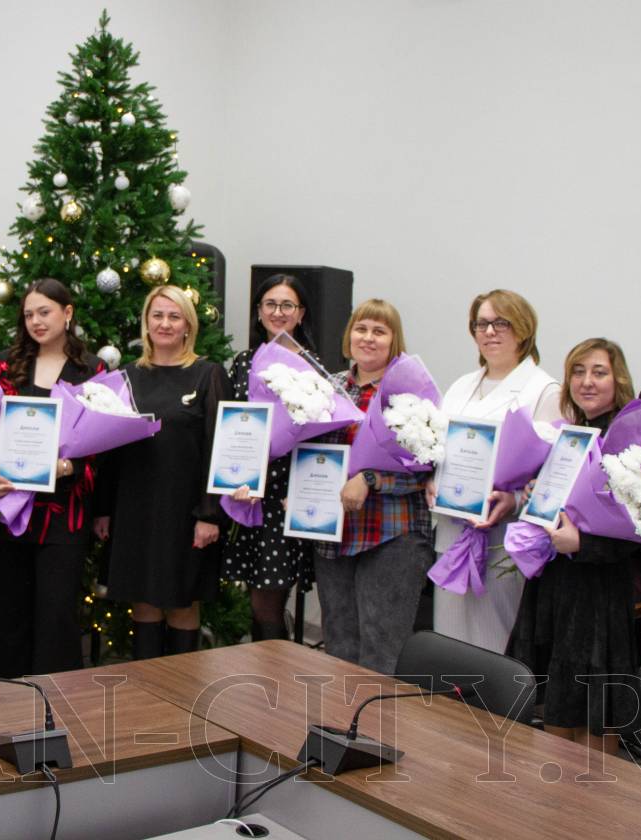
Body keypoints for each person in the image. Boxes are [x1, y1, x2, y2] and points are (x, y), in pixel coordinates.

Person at [508, 338, 639, 755]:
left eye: (599, 372)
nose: (587, 381)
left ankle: (592, 798)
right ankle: (554, 796)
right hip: (556, 588)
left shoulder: (631, 441)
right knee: (555, 710)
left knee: (595, 719)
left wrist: (585, 544)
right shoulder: (567, 435)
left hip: (599, 596)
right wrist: (536, 495)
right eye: (578, 372)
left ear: (618, 380)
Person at [96, 285, 229, 658]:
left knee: (182, 601)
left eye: (174, 316)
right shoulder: (126, 376)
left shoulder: (208, 374)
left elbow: (220, 448)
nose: (165, 324)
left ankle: (182, 686)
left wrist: (210, 515)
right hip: (135, 507)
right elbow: (110, 448)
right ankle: (146, 685)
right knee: (143, 600)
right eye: (158, 315)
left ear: (188, 325)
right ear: (146, 322)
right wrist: (104, 510)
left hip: (186, 511)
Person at [0, 278, 103, 677]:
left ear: (67, 313)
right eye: (29, 314)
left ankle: (55, 701)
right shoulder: (5, 365)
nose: (36, 321)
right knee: (5, 614)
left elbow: (104, 445)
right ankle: (5, 699)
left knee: (56, 616)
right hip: (7, 510)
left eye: (44, 312)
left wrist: (68, 467)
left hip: (63, 515)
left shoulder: (92, 371)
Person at [435, 288, 561, 653]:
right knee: (448, 641)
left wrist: (516, 499)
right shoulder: (461, 385)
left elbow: (555, 476)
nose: (489, 331)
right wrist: (431, 480)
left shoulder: (544, 390)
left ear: (523, 328)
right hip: (452, 528)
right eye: (481, 324)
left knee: (493, 643)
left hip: (504, 535)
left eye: (501, 322)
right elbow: (439, 448)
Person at [314, 299, 434, 673]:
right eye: (361, 329)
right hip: (333, 533)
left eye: (379, 331)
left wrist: (371, 480)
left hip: (392, 535)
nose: (368, 338)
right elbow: (309, 451)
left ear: (394, 340)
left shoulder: (409, 392)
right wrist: (302, 493)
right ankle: (339, 715)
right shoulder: (327, 387)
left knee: (383, 651)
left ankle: (376, 717)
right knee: (339, 646)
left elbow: (426, 466)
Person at [223, 273, 320, 641]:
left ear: (301, 313)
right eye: (270, 304)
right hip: (247, 493)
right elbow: (232, 426)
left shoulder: (312, 367)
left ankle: (276, 674)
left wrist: (303, 491)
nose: (278, 312)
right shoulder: (243, 362)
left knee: (269, 603)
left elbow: (321, 436)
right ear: (259, 311)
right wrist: (233, 478)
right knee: (253, 598)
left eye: (287, 305)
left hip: (285, 499)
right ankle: (259, 672)